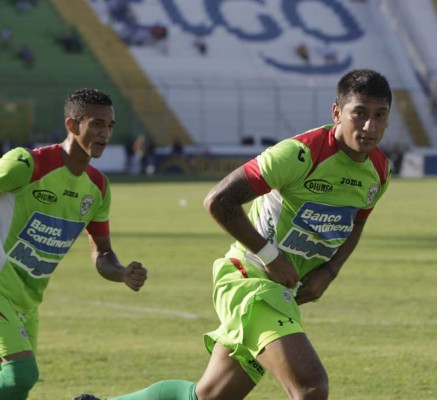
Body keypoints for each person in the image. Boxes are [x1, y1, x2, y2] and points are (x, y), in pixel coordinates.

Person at [74, 68, 393, 400]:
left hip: (280, 290)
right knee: (311, 387)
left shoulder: (380, 170)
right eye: (359, 113)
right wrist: (271, 257)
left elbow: (357, 223)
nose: (369, 126)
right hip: (250, 280)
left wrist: (328, 271)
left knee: (208, 396)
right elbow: (218, 200)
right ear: (337, 112)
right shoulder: (302, 153)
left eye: (379, 115)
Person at [0, 88, 148, 399]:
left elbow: (102, 252)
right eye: (96, 124)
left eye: (109, 126)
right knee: (20, 375)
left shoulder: (98, 187)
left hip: (28, 303)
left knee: (14, 391)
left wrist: (121, 273)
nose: (104, 134)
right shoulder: (27, 165)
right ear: (72, 125)